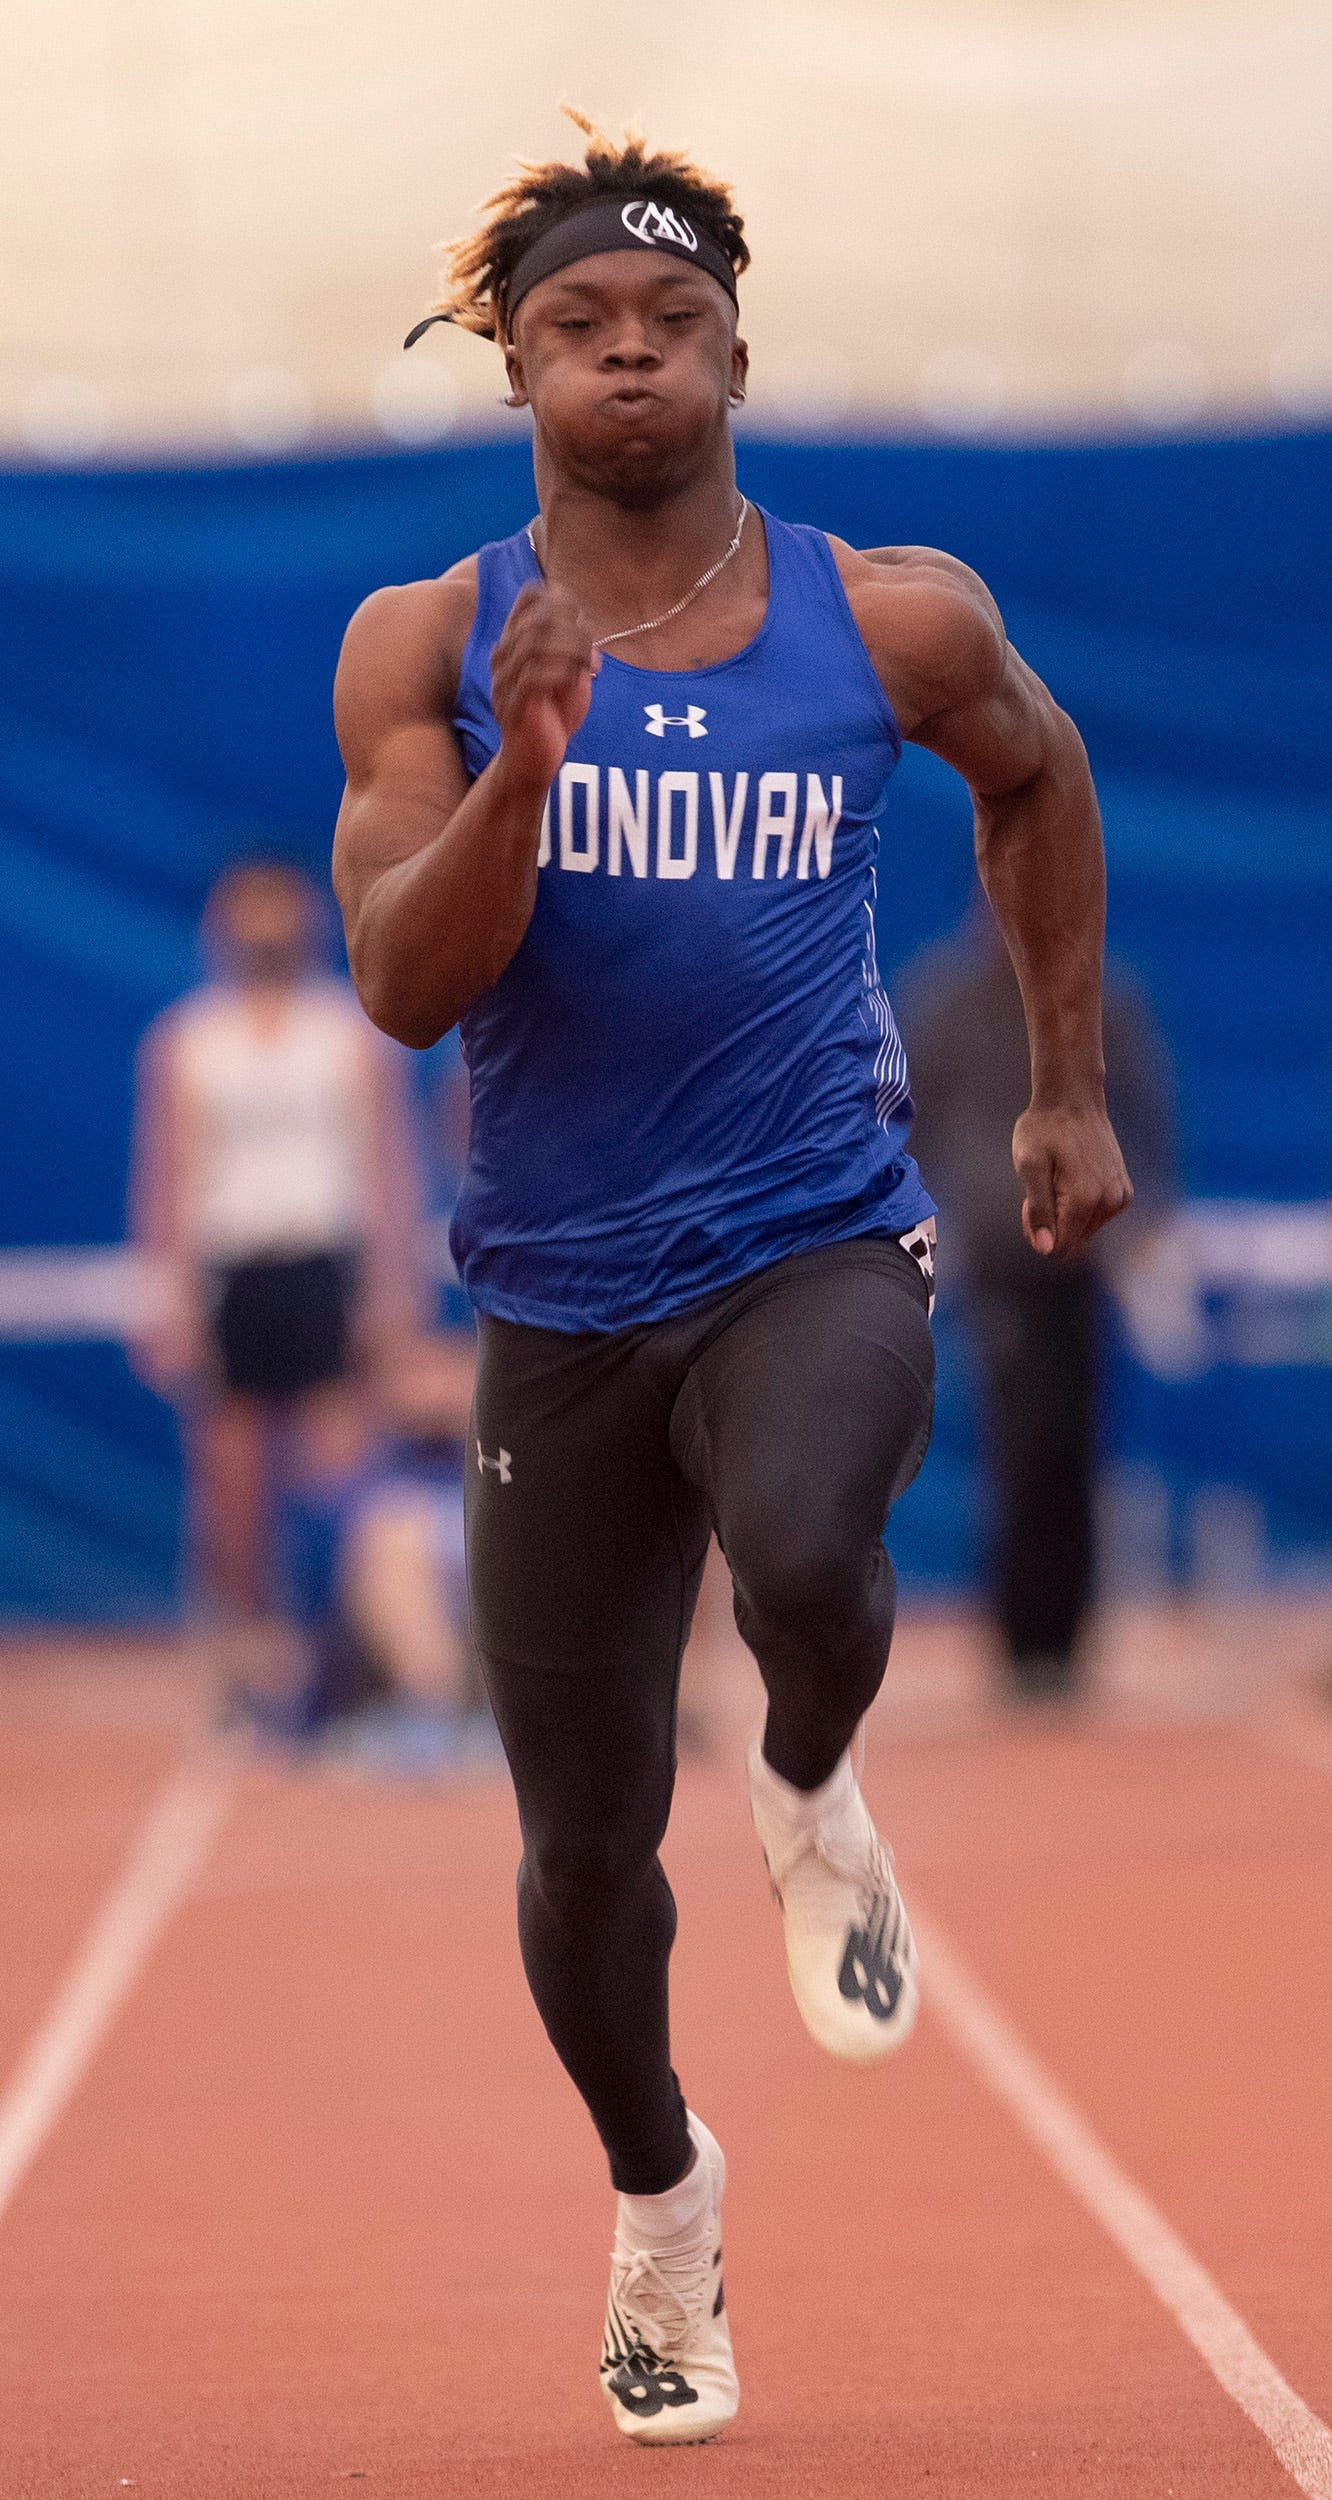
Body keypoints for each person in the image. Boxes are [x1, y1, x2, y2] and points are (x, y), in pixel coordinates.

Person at [331, 115, 1131, 2445]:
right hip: (555, 1302)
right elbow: (401, 980)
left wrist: (1061, 1082)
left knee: (804, 1543)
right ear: (515, 365)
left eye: (670, 322)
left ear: (739, 353)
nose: (631, 358)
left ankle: (812, 1776)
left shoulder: (888, 616)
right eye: (582, 326)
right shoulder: (430, 642)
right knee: (580, 1841)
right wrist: (522, 773)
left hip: (810, 1230)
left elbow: (1040, 780)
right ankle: (662, 2206)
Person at [129, 858, 422, 1686]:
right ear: (220, 927)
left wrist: (391, 1293)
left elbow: (386, 1168)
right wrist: (170, 1302)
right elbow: (166, 1177)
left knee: (340, 1467)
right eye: (246, 913)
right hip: (235, 1271)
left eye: (278, 910)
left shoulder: (346, 1033)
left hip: (325, 1266)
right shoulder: (189, 1040)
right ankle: (250, 1652)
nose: (264, 929)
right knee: (232, 1480)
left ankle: (350, 1651)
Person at [902, 903, 1176, 1699]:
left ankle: (1069, 1635)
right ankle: (1024, 1642)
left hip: (1085, 1257)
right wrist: (926, 1221)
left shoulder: (1102, 999)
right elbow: (906, 1119)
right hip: (998, 1257)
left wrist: (1142, 1218)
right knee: (1019, 1440)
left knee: (1074, 1439)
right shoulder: (946, 999)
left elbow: (1148, 1114)